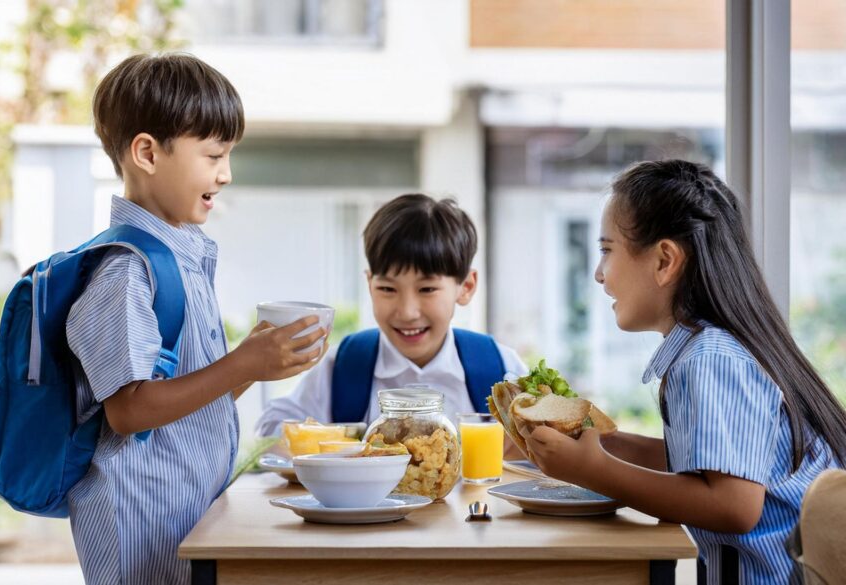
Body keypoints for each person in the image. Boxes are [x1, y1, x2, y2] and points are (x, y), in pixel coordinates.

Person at [65, 53, 327, 585]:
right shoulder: (126, 271)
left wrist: (254, 365)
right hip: (141, 521)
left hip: (184, 510)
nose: (226, 174)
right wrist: (241, 363)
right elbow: (129, 411)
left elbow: (183, 401)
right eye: (213, 155)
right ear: (147, 153)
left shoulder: (182, 256)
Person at [526, 159, 846, 584]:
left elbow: (734, 506)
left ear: (664, 261)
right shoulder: (713, 348)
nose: (599, 274)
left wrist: (593, 470)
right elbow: (710, 463)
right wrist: (605, 443)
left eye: (607, 250)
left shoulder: (709, 358)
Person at [256, 193, 526, 439]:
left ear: (465, 287)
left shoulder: (499, 369)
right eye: (387, 289)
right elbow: (271, 426)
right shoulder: (344, 365)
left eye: (427, 289)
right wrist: (335, 444)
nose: (407, 312)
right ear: (369, 284)